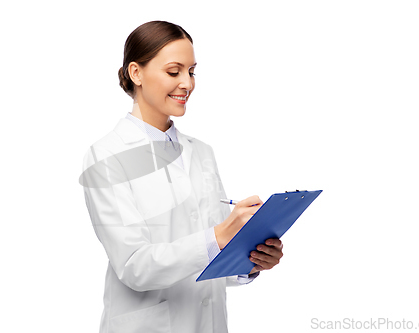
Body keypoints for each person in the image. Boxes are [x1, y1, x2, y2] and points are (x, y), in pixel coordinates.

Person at [81, 20, 284, 333]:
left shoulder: (201, 152)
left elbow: (211, 261)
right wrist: (219, 234)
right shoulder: (106, 156)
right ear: (136, 73)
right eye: (173, 71)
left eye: (191, 71)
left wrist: (251, 259)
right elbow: (134, 267)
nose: (187, 83)